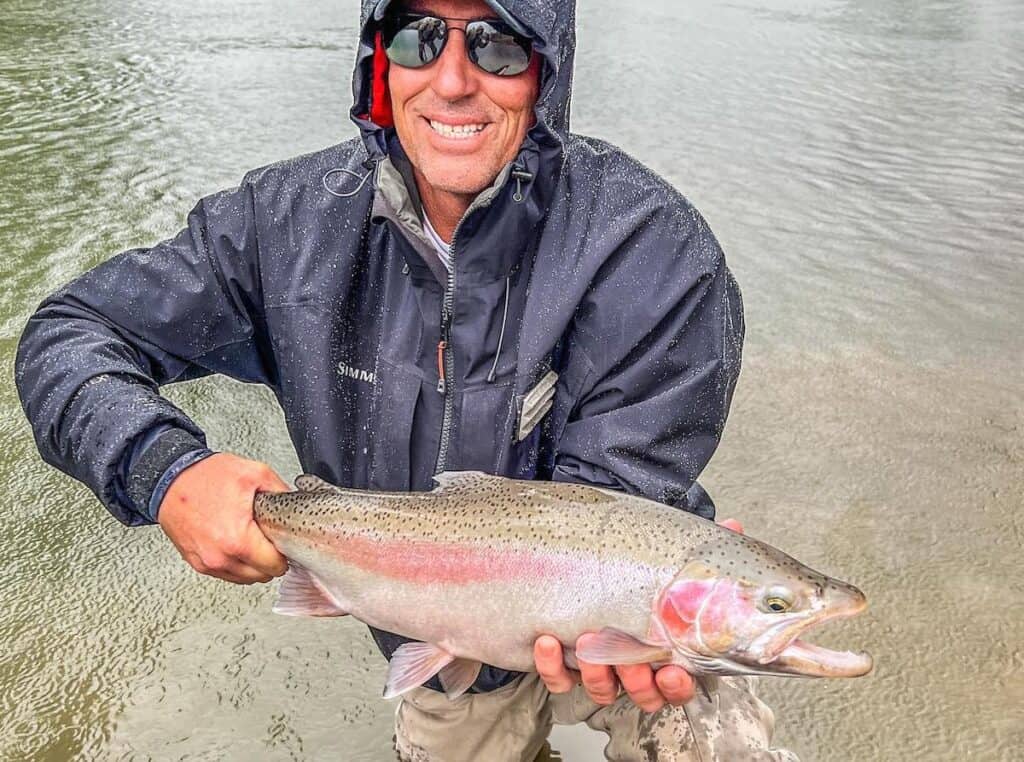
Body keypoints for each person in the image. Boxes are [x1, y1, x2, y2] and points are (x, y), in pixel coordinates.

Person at [15, 0, 797, 759]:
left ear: (546, 68)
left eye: (498, 44)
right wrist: (167, 472)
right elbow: (68, 333)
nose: (453, 79)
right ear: (376, 62)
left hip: (631, 635)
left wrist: (664, 583)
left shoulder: (655, 255)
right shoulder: (281, 227)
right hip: (432, 644)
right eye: (419, 38)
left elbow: (615, 507)